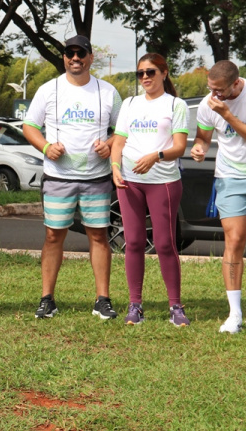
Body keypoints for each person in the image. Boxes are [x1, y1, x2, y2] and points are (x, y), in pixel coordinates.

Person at [22, 35, 122, 320]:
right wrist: (45, 147)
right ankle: (47, 299)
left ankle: (102, 300)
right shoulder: (49, 89)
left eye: (81, 53)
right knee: (53, 235)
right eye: (70, 53)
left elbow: (122, 129)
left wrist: (110, 144)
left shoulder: (107, 91)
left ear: (91, 58)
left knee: (99, 235)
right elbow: (29, 126)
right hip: (58, 177)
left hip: (96, 177)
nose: (75, 58)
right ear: (64, 57)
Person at [191, 60, 246, 334]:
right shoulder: (207, 104)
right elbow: (203, 137)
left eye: (220, 90)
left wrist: (227, 114)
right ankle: (235, 314)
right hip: (230, 178)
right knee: (235, 240)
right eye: (211, 89)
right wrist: (199, 147)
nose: (214, 95)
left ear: (236, 83)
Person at [110, 53, 190, 326]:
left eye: (151, 71)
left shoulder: (175, 104)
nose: (145, 77)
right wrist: (115, 166)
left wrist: (156, 156)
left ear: (164, 73)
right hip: (129, 181)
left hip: (163, 182)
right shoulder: (130, 103)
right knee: (132, 242)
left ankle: (175, 306)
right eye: (140, 73)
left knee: (165, 243)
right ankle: (135, 305)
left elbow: (179, 147)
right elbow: (118, 141)